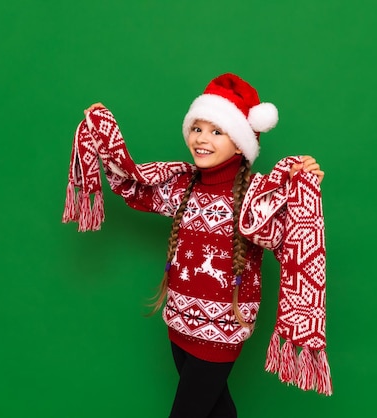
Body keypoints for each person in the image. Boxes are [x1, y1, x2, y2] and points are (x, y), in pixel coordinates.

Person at [65, 73, 330, 417]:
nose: (202, 139)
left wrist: (301, 190)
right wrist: (102, 132)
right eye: (197, 128)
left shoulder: (258, 195)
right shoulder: (181, 184)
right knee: (218, 410)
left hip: (223, 328)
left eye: (216, 131)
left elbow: (289, 238)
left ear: (240, 143)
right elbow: (130, 183)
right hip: (178, 320)